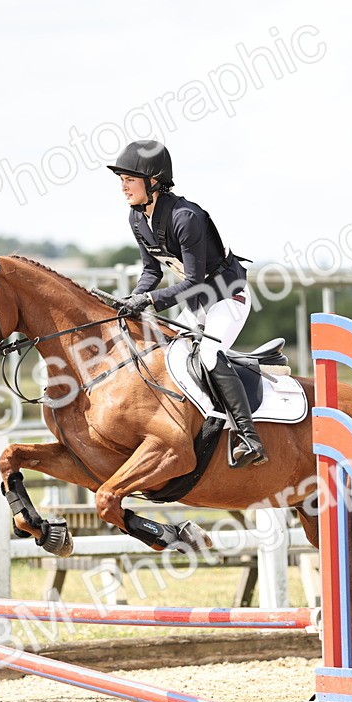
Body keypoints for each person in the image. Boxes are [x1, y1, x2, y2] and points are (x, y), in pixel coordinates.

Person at [107, 140, 268, 467]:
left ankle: (249, 436)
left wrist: (148, 300)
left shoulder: (186, 216)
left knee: (208, 354)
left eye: (129, 179)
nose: (122, 186)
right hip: (198, 300)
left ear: (153, 181)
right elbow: (151, 271)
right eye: (120, 179)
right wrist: (133, 299)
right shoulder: (136, 218)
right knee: (169, 354)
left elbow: (193, 281)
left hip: (227, 296)